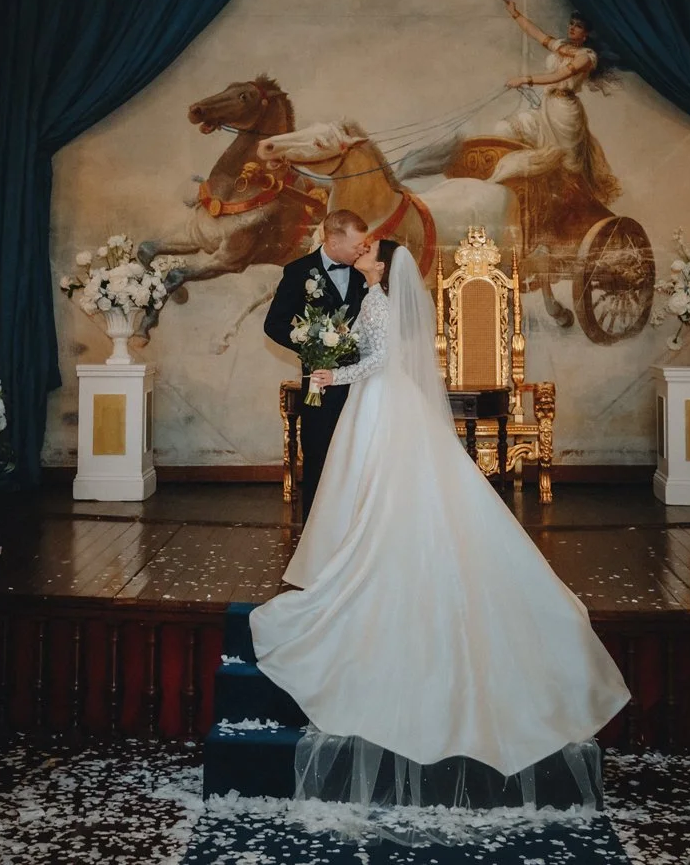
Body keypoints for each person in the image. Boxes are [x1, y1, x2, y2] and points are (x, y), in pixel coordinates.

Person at [249, 239, 630, 817]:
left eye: (370, 251)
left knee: (381, 486)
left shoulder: (377, 297)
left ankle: (372, 554)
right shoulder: (380, 293)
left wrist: (333, 370)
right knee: (396, 485)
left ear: (381, 265)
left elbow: (378, 361)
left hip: (377, 398)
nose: (362, 253)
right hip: (386, 400)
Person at [262, 210, 399, 518]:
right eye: (356, 244)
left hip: (364, 384)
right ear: (333, 241)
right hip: (321, 383)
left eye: (365, 245)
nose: (362, 249)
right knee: (318, 458)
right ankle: (315, 530)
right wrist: (311, 342)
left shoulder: (365, 273)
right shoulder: (298, 272)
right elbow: (274, 324)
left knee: (361, 459)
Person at [491, 1, 620, 206]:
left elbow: (560, 75)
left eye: (577, 25)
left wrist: (525, 79)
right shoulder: (562, 46)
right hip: (546, 106)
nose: (571, 27)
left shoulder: (587, 57)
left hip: (566, 114)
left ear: (586, 33)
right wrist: (515, 14)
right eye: (571, 23)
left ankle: (569, 207)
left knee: (567, 167)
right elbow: (536, 33)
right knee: (506, 128)